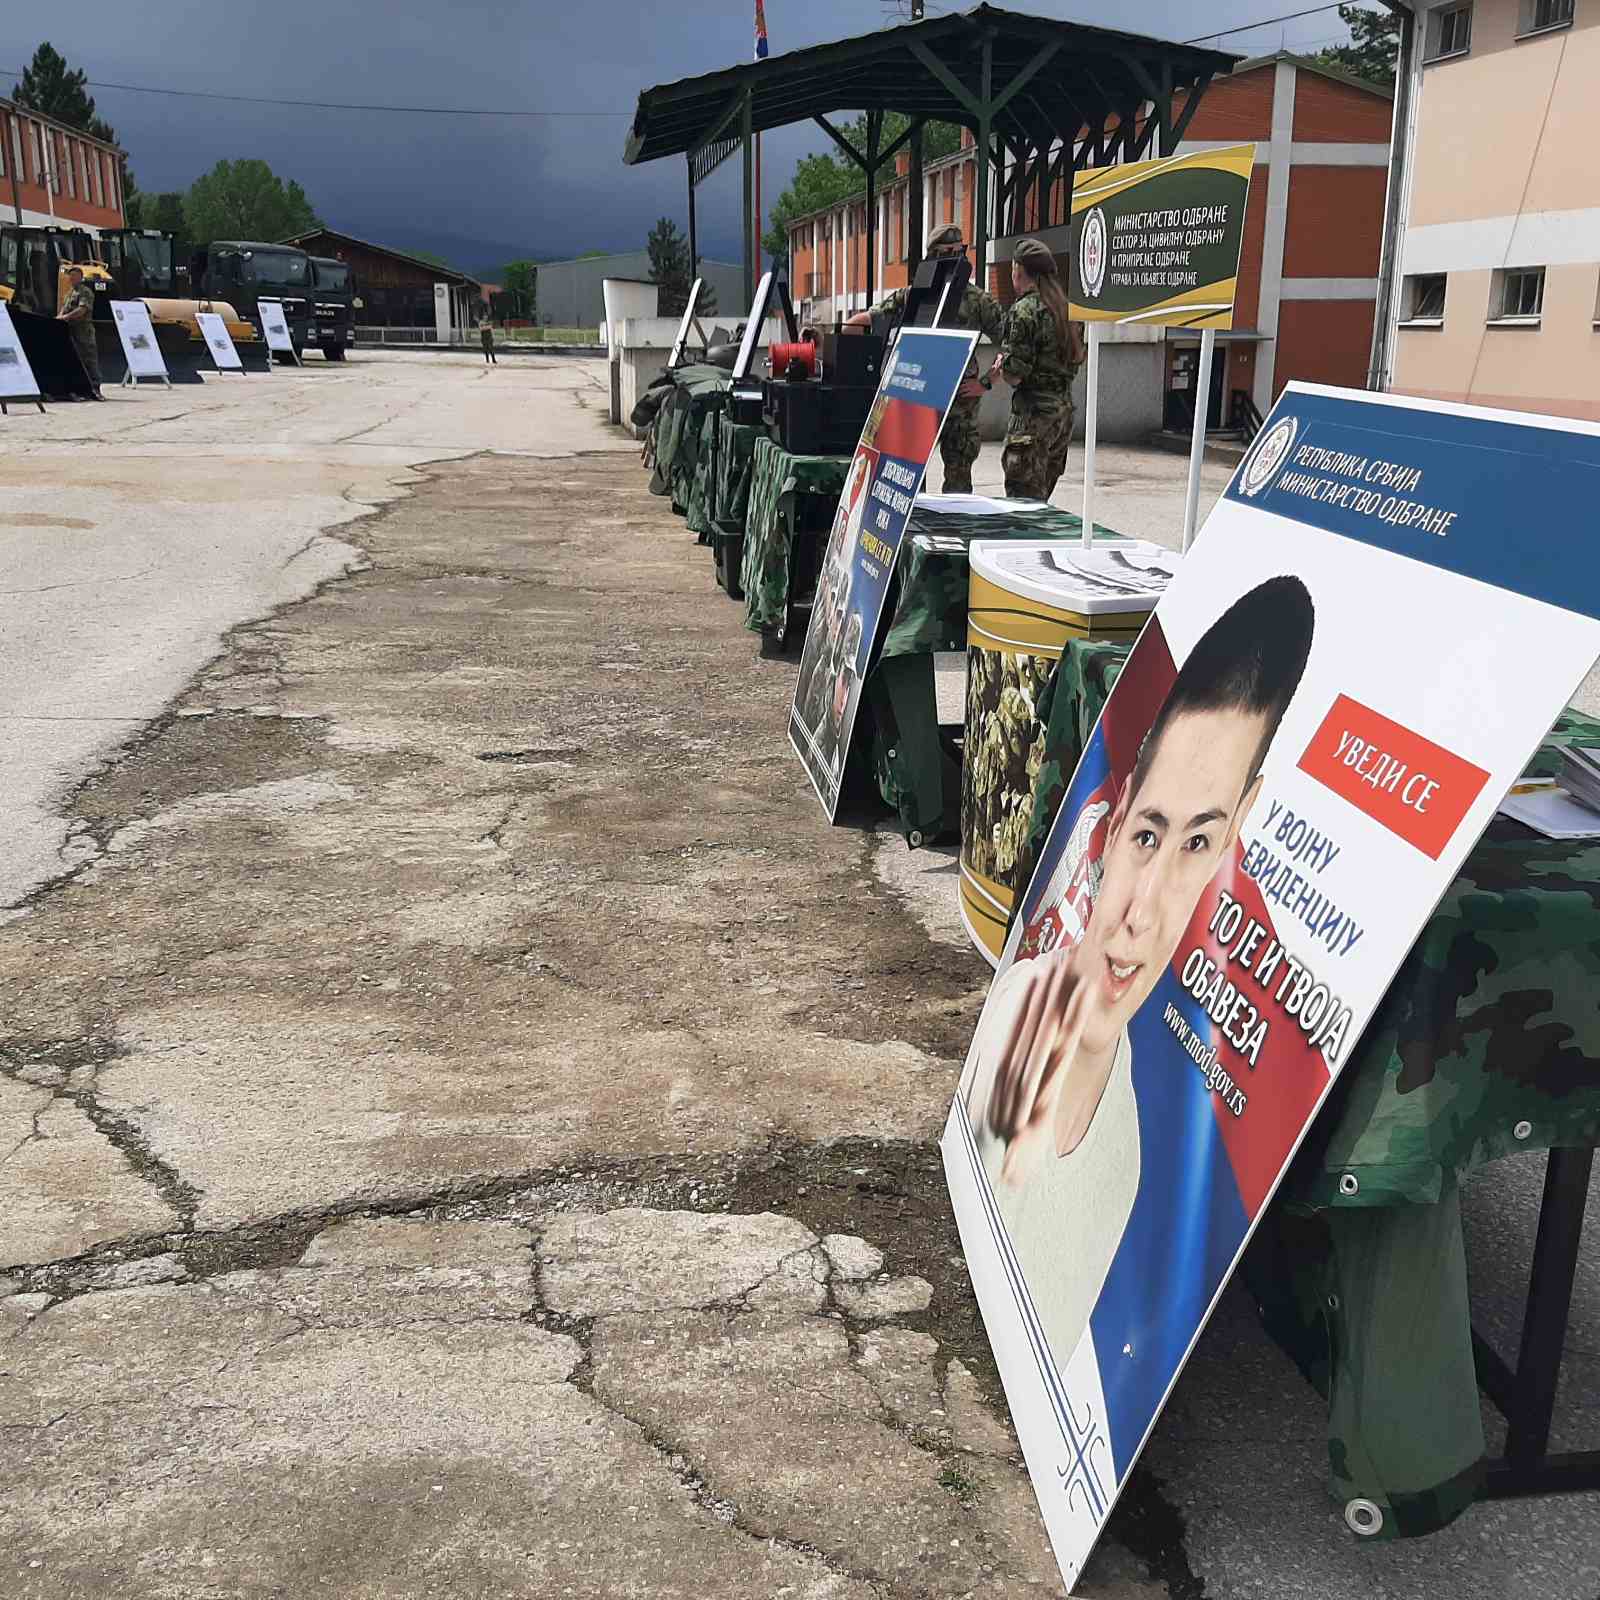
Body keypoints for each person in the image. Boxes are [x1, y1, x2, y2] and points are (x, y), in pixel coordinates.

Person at [962, 575, 1315, 1369]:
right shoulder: (1018, 1007)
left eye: (1197, 844)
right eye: (1148, 835)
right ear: (1114, 822)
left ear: (1235, 835)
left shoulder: (1125, 1159)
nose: (1143, 913)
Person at [847, 223, 1005, 494]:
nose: (956, 258)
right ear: (932, 256)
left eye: (960, 252)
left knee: (958, 480)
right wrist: (842, 335)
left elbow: (1011, 342)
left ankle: (954, 532)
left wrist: (987, 381)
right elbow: (870, 319)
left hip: (961, 400)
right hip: (919, 396)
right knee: (908, 477)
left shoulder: (978, 300)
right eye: (947, 252)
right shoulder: (914, 295)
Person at [989, 238, 1085, 501]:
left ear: (1018, 270)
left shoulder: (1023, 311)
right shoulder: (1066, 310)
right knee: (1040, 504)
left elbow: (1016, 374)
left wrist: (1003, 365)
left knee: (1023, 507)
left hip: (1032, 420)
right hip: (1061, 417)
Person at [58, 267, 103, 401]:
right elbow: (63, 310)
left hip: (84, 332)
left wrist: (65, 317)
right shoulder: (70, 293)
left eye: (74, 276)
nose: (72, 279)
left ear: (81, 277)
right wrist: (59, 318)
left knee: (89, 360)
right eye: (70, 276)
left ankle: (95, 389)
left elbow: (82, 310)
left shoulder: (85, 292)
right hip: (71, 331)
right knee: (75, 360)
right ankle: (78, 389)